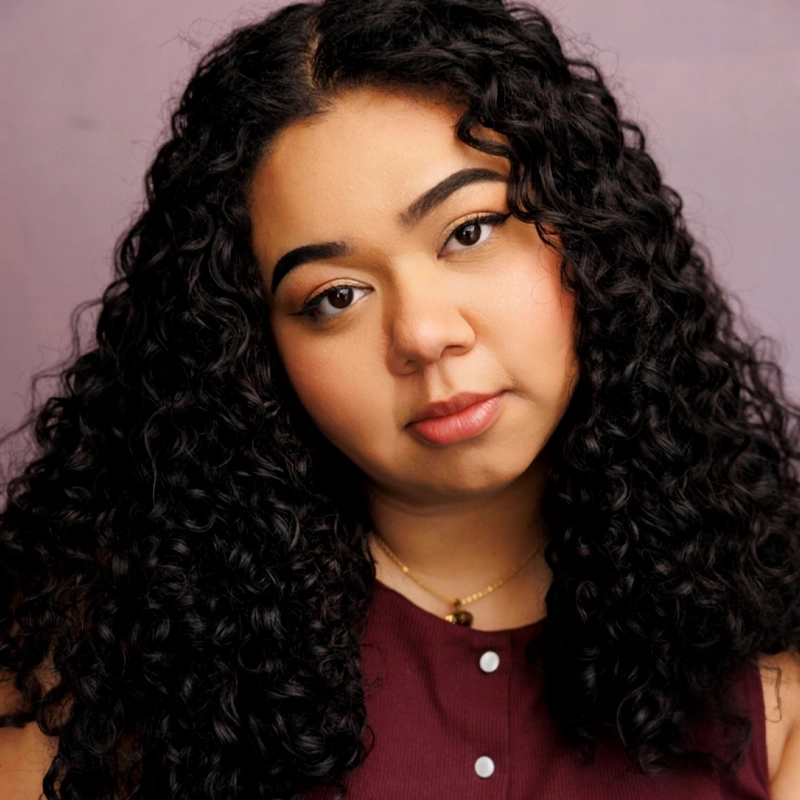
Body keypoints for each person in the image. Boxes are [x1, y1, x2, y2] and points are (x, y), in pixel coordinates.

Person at [1, 0, 799, 797]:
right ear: (249, 352)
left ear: (588, 230)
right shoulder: (89, 667)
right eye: (335, 296)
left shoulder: (774, 677)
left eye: (470, 232)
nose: (422, 334)